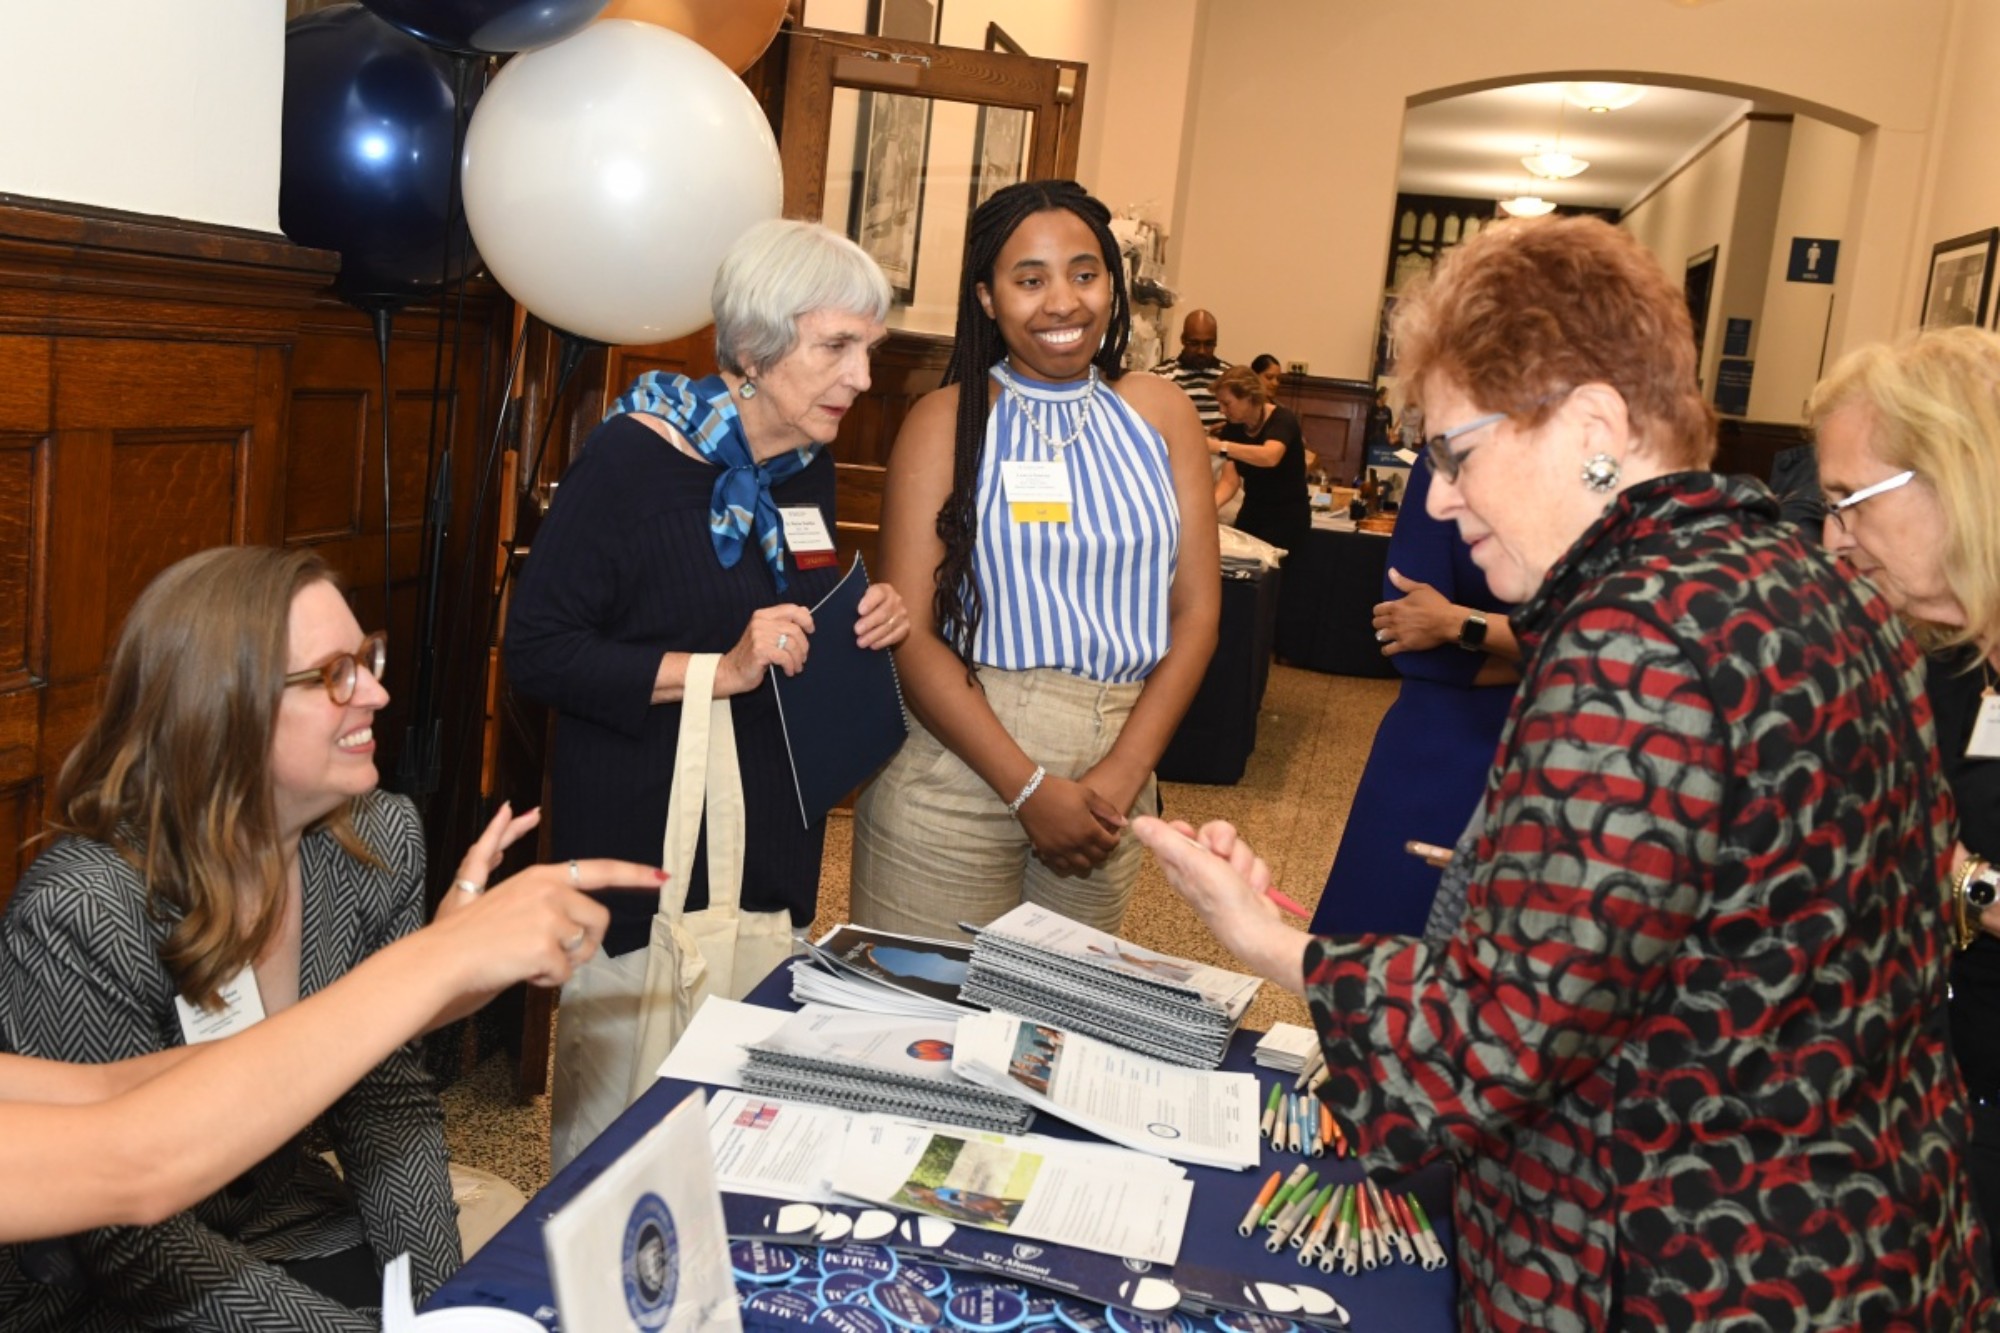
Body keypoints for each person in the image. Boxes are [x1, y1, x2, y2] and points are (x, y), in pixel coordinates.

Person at [1133, 216, 1994, 1329]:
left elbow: (1484, 1047)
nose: (1435, 499)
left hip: (1680, 1262)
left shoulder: (1628, 636)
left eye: (1455, 452)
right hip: (1873, 1239)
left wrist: (1267, 941)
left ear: (1593, 427)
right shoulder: (1820, 589)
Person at [0, 545, 655, 1330]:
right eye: (335, 673)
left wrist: (437, 1307)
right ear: (225, 706)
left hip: (287, 1211)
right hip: (102, 1285)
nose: (378, 690)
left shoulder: (377, 839)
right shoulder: (82, 906)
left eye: (368, 658)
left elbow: (386, 1098)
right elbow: (127, 1227)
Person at [506, 219, 909, 956]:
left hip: (772, 844)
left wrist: (865, 614)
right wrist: (718, 671)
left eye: (868, 350)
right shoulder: (629, 459)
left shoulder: (804, 460)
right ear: (754, 349)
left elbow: (799, 602)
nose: (863, 379)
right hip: (650, 850)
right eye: (836, 347)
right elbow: (537, 652)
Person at [851, 180, 1220, 938]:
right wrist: (1026, 788)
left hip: (1114, 771)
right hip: (961, 763)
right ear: (987, 297)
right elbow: (910, 629)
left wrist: (1120, 778)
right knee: (919, 1030)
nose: (1063, 302)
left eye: (1085, 274)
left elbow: (1197, 614)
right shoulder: (944, 422)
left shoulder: (1161, 411)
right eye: (1030, 280)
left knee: (1054, 1040)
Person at [0, 859, 621, 1245]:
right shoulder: (79, 895)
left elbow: (108, 1091)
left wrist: (424, 993)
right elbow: (137, 1166)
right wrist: (434, 965)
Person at [1806, 325, 2000, 1270]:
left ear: (1958, 480)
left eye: (1851, 502)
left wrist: (1953, 877)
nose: (1833, 536)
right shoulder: (1947, 662)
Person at [1310, 451, 1518, 937]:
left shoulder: (1620, 473)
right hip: (1440, 746)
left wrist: (1459, 623)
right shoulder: (1447, 456)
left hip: (1567, 750)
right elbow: (1413, 649)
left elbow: (1625, 637)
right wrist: (1552, 656)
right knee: (1376, 967)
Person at [1212, 364, 1309, 555]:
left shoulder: (1283, 419)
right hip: (1253, 510)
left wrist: (1219, 447)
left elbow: (1270, 456)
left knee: (1276, 580)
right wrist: (1208, 509)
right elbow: (1229, 481)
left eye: (1227, 403)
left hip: (1288, 516)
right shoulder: (1233, 428)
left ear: (1248, 398)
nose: (1221, 410)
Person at [1150, 307, 1231, 432]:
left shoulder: (1230, 377)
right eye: (1194, 343)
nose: (1201, 351)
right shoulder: (1160, 377)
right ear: (1183, 339)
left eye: (1209, 344)